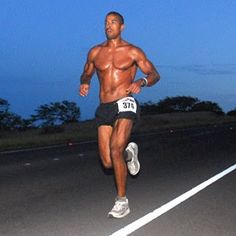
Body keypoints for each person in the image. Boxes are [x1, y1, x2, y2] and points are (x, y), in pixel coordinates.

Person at [79, 11, 160, 218]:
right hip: (104, 107)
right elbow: (86, 72)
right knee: (107, 161)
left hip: (125, 102)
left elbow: (154, 74)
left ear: (122, 27)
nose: (109, 26)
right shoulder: (95, 52)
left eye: (113, 22)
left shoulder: (133, 51)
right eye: (106, 23)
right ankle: (128, 153)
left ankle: (122, 201)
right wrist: (85, 83)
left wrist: (141, 82)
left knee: (115, 148)